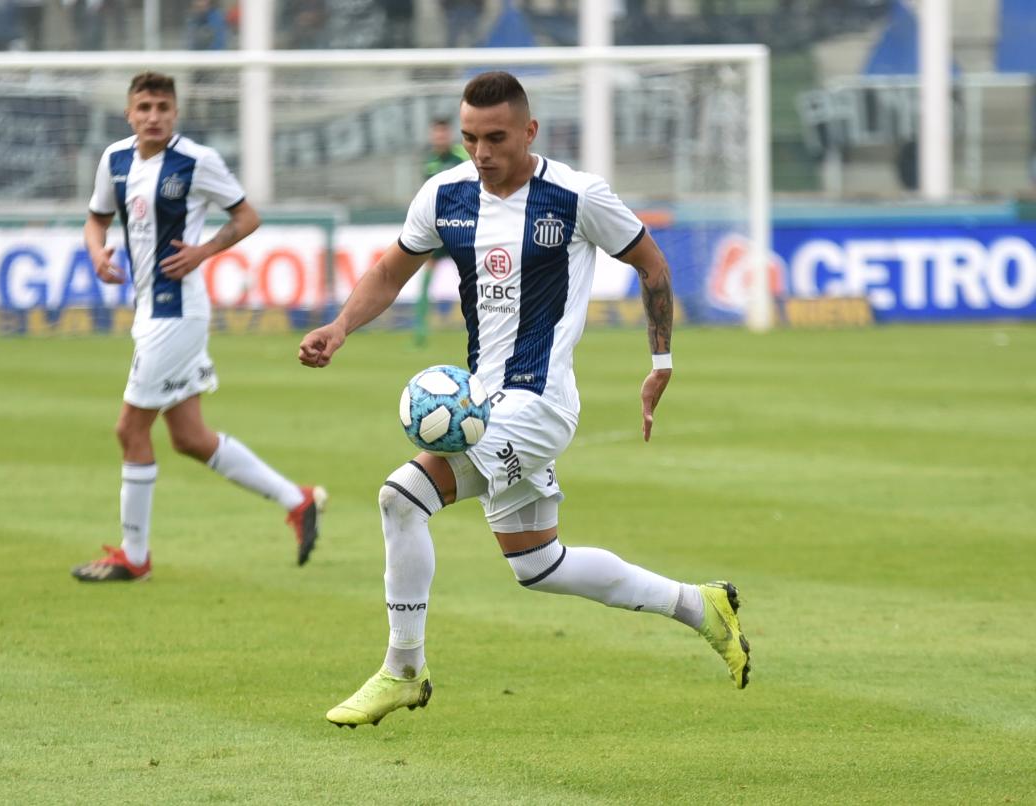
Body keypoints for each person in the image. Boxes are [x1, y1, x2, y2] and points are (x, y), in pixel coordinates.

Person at [298, 71, 750, 727]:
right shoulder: (444, 195)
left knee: (402, 497)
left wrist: (660, 361)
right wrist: (340, 327)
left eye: (497, 138)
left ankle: (403, 669)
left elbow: (652, 264)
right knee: (539, 564)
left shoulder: (575, 196)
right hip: (485, 402)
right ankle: (700, 606)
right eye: (471, 138)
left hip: (539, 407)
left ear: (530, 131)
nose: (482, 152)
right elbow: (390, 270)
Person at [72, 72, 326, 582]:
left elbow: (246, 216)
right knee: (189, 436)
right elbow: (96, 218)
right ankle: (296, 500)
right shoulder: (114, 159)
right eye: (144, 106)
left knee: (130, 428)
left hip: (178, 312)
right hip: (149, 309)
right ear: (129, 113)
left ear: (175, 112)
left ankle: (134, 557)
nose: (153, 116)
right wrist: (96, 252)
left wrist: (204, 252)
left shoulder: (196, 161)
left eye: (163, 106)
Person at [412, 118, 471, 346]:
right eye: (436, 134)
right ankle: (420, 333)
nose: (440, 138)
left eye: (443, 133)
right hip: (439, 230)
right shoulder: (430, 163)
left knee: (472, 280)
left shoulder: (461, 157)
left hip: (462, 228)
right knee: (426, 279)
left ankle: (479, 329)